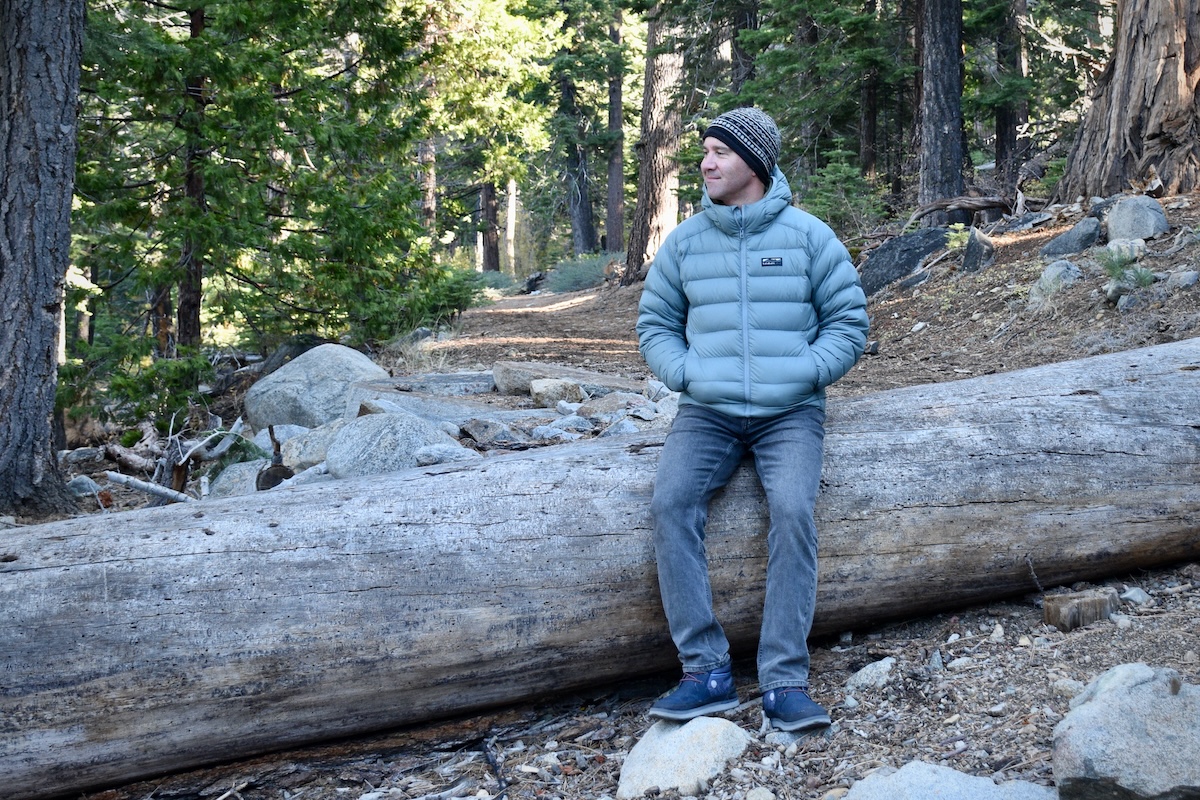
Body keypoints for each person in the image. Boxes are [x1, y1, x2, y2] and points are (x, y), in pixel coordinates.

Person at [636, 107, 869, 732]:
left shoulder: (809, 237)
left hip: (789, 413)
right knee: (669, 505)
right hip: (706, 412)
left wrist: (806, 372)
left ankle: (784, 680)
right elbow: (654, 324)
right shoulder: (685, 242)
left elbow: (849, 321)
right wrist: (687, 375)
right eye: (704, 152)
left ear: (755, 163)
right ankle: (704, 671)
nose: (706, 163)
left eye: (719, 152)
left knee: (793, 510)